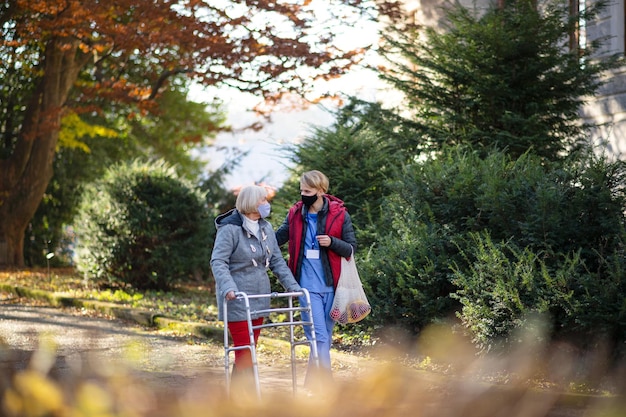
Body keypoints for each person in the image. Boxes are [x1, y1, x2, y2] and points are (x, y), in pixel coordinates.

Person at [211, 185, 301, 383]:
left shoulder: (266, 228)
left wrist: (292, 286)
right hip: (237, 297)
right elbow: (218, 261)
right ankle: (247, 399)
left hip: (259, 297)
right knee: (244, 348)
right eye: (263, 201)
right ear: (251, 202)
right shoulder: (230, 229)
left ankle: (238, 397)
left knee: (250, 347)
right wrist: (228, 287)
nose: (267, 205)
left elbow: (276, 261)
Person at [275, 170, 357, 386]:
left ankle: (311, 385)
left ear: (321, 191)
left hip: (333, 286)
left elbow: (351, 249)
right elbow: (277, 239)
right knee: (319, 337)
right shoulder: (295, 214)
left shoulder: (339, 215)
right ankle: (326, 387)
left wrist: (332, 242)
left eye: (308, 191)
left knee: (324, 338)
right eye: (301, 190)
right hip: (306, 286)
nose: (303, 195)